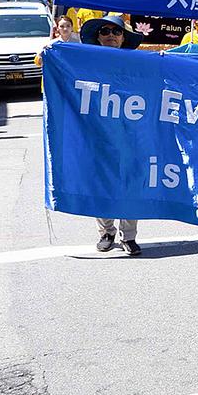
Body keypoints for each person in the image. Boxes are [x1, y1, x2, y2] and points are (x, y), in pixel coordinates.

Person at [80, 14, 144, 256]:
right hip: (98, 134)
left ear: (123, 38)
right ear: (98, 37)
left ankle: (129, 236)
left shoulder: (137, 64)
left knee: (130, 184)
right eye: (105, 31)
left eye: (116, 32)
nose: (111, 36)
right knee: (102, 184)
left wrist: (161, 61)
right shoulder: (85, 62)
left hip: (130, 134)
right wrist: (51, 51)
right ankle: (106, 232)